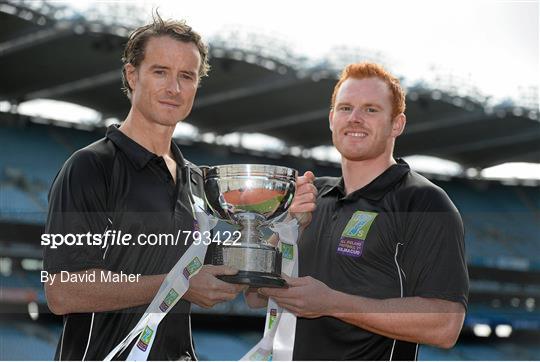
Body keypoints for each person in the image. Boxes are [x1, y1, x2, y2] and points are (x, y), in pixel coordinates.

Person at [42, 14, 316, 360]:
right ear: (131, 74)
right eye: (160, 72)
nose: (174, 88)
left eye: (186, 76)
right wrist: (180, 284)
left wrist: (286, 224)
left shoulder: (198, 181)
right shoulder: (90, 167)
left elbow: (235, 275)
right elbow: (62, 291)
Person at [256, 62, 469, 360]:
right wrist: (287, 229)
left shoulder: (424, 202)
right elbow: (254, 295)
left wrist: (331, 303)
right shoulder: (313, 195)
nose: (355, 118)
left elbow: (445, 325)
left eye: (370, 109)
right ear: (331, 119)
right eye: (345, 108)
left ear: (397, 124)